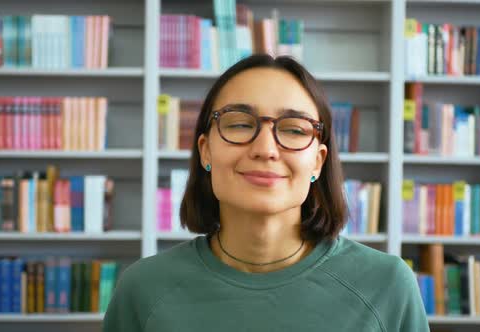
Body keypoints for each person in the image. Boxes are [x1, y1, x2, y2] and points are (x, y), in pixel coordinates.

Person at [103, 54, 429, 332]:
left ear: (318, 161)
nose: (265, 149)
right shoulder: (142, 291)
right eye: (240, 124)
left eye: (293, 129)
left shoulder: (387, 286)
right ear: (205, 151)